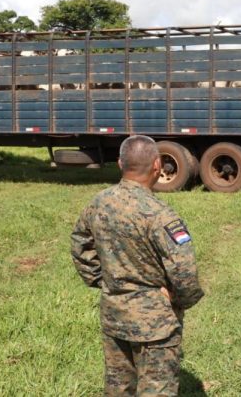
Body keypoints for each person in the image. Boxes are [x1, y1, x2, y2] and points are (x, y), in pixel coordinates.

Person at [71, 135, 204, 396]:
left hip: (115, 315)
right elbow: (185, 270)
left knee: (119, 388)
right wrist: (179, 299)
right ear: (157, 165)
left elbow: (80, 245)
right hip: (156, 323)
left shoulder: (99, 204)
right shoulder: (160, 214)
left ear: (120, 163)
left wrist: (102, 280)